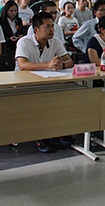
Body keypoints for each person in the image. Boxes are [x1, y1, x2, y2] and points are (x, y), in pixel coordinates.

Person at [16, 12, 74, 153]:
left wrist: (61, 65)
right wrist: (48, 65)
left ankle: (56, 131)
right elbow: (23, 65)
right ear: (36, 29)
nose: (52, 30)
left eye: (52, 26)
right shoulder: (24, 42)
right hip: (26, 84)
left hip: (48, 82)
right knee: (40, 100)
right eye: (47, 27)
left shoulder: (55, 42)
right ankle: (40, 135)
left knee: (65, 97)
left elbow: (69, 61)